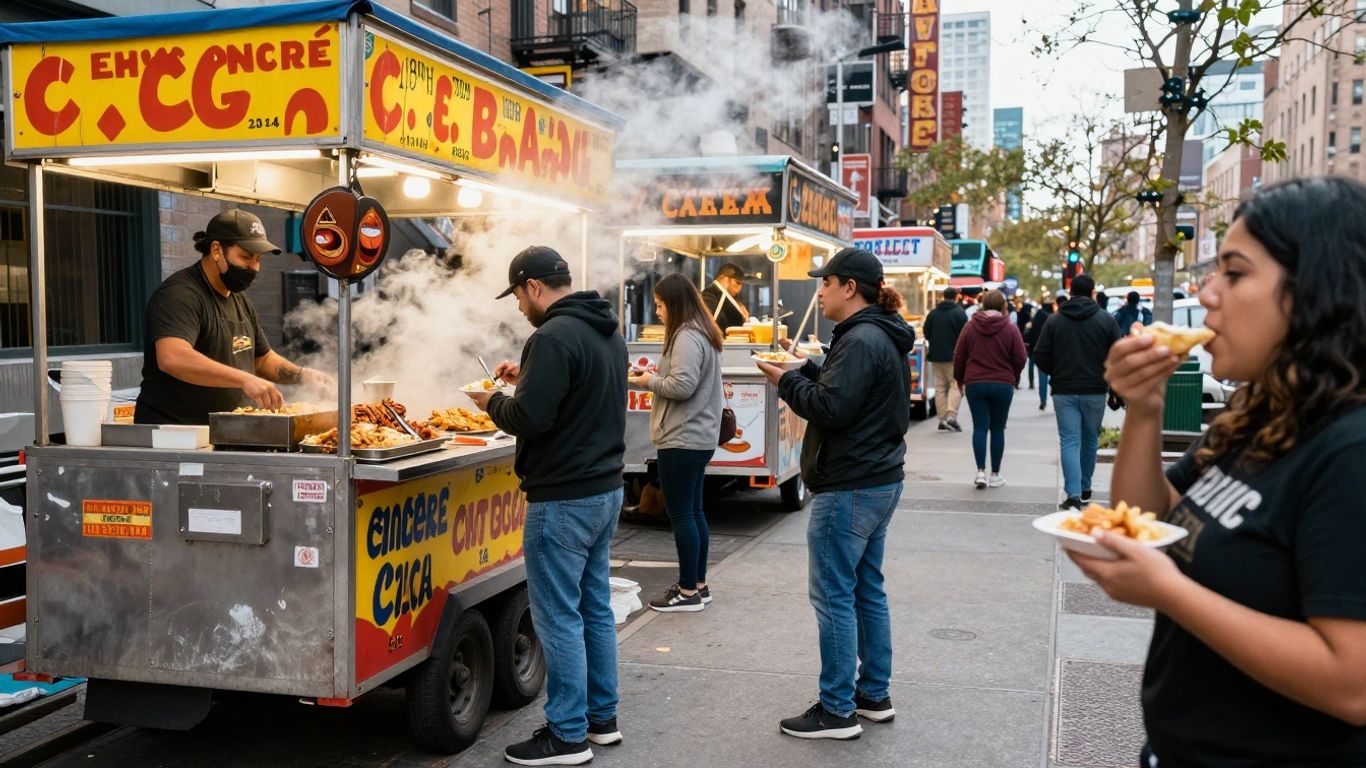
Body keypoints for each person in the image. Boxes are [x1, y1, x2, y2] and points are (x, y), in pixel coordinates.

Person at [1076, 177, 1366, 766]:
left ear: (1315, 292)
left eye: (1234, 274)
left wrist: (1169, 591)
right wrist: (1144, 408)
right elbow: (1153, 517)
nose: (1207, 295)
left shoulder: (1350, 449)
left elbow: (1351, 684)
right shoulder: (1263, 412)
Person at [466, 246, 627, 765]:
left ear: (534, 286)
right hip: (605, 489)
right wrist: (524, 380)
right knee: (594, 608)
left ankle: (566, 735)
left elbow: (530, 419)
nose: (518, 306)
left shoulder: (551, 336)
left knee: (557, 617)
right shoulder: (605, 329)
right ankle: (601, 721)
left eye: (517, 294)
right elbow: (573, 400)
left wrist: (490, 400)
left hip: (563, 498)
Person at [754, 247, 915, 741]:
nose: (819, 291)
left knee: (835, 597)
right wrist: (805, 366)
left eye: (825, 283)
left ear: (849, 288)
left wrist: (785, 380)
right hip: (878, 478)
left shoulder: (862, 339)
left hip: (850, 485)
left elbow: (832, 408)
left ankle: (837, 709)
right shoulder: (875, 335)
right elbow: (844, 389)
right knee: (866, 588)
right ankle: (872, 695)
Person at [134, 209, 332, 425]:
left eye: (258, 259)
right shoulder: (179, 295)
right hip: (178, 436)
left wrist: (301, 375)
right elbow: (173, 358)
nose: (253, 267)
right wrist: (244, 379)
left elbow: (262, 359)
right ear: (217, 250)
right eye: (246, 257)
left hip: (226, 432)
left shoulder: (239, 300)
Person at [628, 273, 724, 613]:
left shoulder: (686, 337)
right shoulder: (704, 331)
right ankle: (698, 585)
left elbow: (682, 386)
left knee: (682, 513)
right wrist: (651, 380)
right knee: (695, 512)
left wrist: (649, 380)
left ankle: (686, 592)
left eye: (660, 304)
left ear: (675, 303)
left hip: (682, 438)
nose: (658, 312)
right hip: (697, 437)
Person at [1032, 274, 1121, 510]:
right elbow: (1118, 354)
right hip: (1095, 389)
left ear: (1070, 292)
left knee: (1070, 440)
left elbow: (1039, 355)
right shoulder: (1106, 320)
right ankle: (1085, 488)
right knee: (1090, 440)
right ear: (1093, 292)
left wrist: (1057, 371)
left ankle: (1072, 494)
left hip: (1064, 390)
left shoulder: (1055, 320)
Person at [952, 289, 1026, 489]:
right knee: (998, 428)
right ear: (1003, 306)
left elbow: (959, 356)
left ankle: (980, 472)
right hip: (1002, 383)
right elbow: (1020, 357)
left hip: (975, 383)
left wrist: (960, 378)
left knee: (980, 427)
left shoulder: (970, 327)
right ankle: (995, 474)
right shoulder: (1010, 328)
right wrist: (1014, 375)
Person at [922, 287, 968, 431]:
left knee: (940, 387)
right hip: (954, 356)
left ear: (943, 296)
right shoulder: (960, 313)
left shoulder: (933, 314)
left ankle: (941, 419)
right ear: (956, 297)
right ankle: (951, 416)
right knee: (956, 385)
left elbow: (926, 332)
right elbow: (965, 335)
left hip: (936, 356)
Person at [700, 262, 750, 330]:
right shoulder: (708, 297)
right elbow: (715, 328)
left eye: (742, 284)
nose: (740, 288)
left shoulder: (727, 300)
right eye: (737, 282)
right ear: (724, 279)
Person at [1023, 294, 1053, 401]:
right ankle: (1052, 394)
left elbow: (1031, 332)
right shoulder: (1053, 318)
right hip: (1051, 352)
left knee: (1041, 375)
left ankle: (1043, 398)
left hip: (1036, 348)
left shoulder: (1038, 316)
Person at [1015, 299, 1034, 388]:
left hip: (1019, 340)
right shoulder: (1029, 319)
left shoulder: (1019, 315)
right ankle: (1029, 383)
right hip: (1024, 341)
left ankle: (1017, 382)